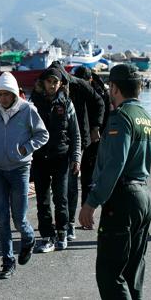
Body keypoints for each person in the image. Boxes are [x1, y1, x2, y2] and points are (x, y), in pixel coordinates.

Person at [79, 64, 151, 300]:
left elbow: (114, 164)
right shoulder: (146, 117)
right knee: (133, 271)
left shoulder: (121, 117)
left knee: (109, 273)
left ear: (113, 87)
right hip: (143, 195)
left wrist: (91, 203)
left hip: (123, 199)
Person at [0, 72, 49, 279]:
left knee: (19, 219)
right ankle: (7, 262)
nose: (3, 98)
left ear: (14, 94)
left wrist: (25, 149)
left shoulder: (27, 109)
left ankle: (28, 238)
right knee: (1, 220)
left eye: (7, 94)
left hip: (20, 169)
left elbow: (42, 134)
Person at [30, 67, 81, 253]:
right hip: (40, 157)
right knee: (42, 201)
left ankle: (62, 232)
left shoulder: (67, 103)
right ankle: (46, 237)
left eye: (55, 82)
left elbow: (75, 133)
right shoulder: (33, 102)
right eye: (49, 81)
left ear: (60, 84)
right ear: (43, 82)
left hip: (62, 157)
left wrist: (76, 157)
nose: (52, 85)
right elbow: (26, 130)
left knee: (61, 198)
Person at [54, 62, 105, 240]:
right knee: (67, 183)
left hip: (84, 139)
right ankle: (68, 219)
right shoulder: (51, 89)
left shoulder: (81, 85)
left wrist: (96, 128)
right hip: (65, 139)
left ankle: (78, 218)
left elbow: (100, 103)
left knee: (79, 180)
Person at [74, 66, 111, 227]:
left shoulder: (100, 93)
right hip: (79, 137)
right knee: (79, 179)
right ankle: (80, 216)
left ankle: (87, 215)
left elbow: (108, 114)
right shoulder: (74, 90)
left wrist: (100, 132)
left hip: (96, 140)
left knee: (90, 179)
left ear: (89, 80)